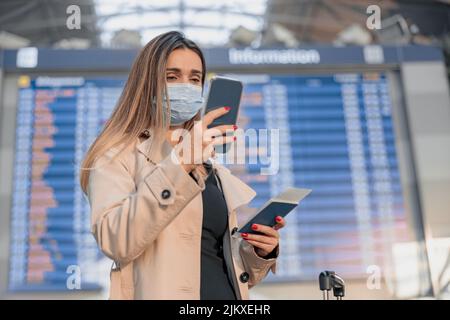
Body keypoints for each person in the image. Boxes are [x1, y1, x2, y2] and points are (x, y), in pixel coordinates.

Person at [79, 31, 286, 300]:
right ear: (147, 83)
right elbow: (116, 240)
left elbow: (215, 262)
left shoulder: (209, 167)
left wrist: (259, 252)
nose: (186, 86)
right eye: (172, 76)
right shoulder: (116, 155)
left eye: (195, 78)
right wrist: (180, 163)